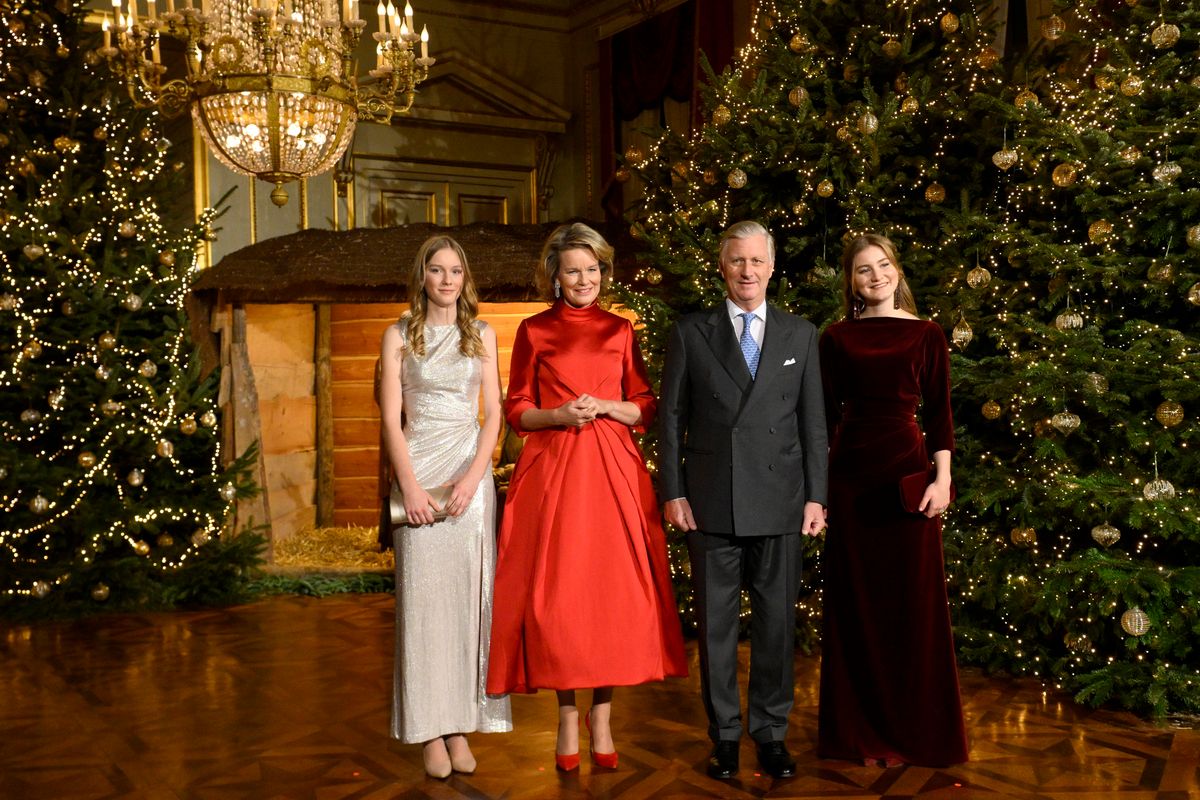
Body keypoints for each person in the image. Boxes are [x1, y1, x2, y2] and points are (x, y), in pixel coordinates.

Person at [487, 222, 687, 772]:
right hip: (555, 470)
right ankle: (567, 717)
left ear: (604, 272)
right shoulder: (533, 330)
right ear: (555, 275)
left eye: (592, 269)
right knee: (561, 599)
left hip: (613, 472)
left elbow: (645, 403)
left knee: (610, 598)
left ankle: (602, 718)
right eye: (573, 269)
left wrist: (606, 405)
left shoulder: (621, 330)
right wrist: (558, 414)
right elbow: (516, 409)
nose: (583, 279)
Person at [659, 220, 828, 780]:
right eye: (737, 262)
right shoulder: (691, 331)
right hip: (711, 502)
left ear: (772, 267)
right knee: (716, 628)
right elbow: (671, 419)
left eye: (757, 261)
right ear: (722, 266)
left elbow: (813, 424)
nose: (748, 271)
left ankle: (771, 733)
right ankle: (725, 734)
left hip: (782, 498)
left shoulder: (800, 334)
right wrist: (673, 492)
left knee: (777, 625)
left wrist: (816, 497)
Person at [816, 233, 968, 767]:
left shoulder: (927, 335)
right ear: (851, 282)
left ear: (897, 273)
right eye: (863, 269)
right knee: (856, 610)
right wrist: (820, 492)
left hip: (907, 478)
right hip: (851, 480)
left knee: (913, 608)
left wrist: (941, 479)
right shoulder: (835, 337)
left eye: (883, 266)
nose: (875, 276)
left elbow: (940, 416)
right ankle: (857, 733)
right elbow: (826, 420)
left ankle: (917, 733)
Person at [379, 235, 512, 779]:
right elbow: (391, 418)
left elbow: (495, 415)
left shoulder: (481, 333)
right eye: (437, 270)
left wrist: (475, 478)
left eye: (456, 270)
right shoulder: (397, 335)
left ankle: (460, 724)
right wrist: (408, 486)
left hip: (468, 480)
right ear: (423, 277)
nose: (447, 280)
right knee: (422, 606)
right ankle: (430, 729)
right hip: (419, 472)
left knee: (468, 605)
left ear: (465, 278)